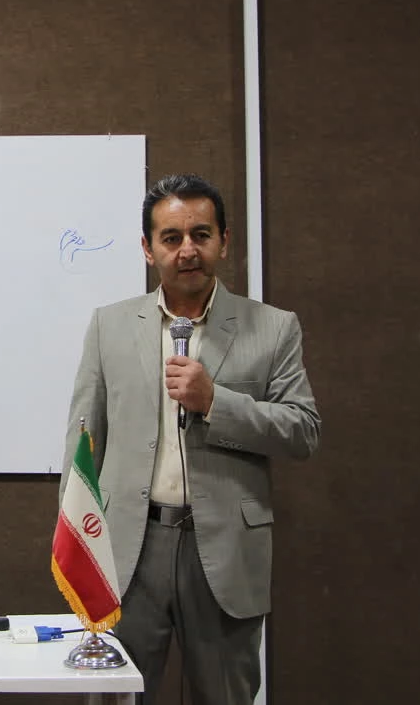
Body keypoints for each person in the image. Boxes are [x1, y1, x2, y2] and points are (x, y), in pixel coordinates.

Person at [62, 173, 321, 705]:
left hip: (224, 549)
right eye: (171, 237)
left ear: (224, 241)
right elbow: (84, 439)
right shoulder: (110, 326)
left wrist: (215, 402)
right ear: (147, 248)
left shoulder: (273, 328)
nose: (187, 251)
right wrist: (75, 538)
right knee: (112, 697)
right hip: (129, 549)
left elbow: (302, 430)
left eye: (201, 235)